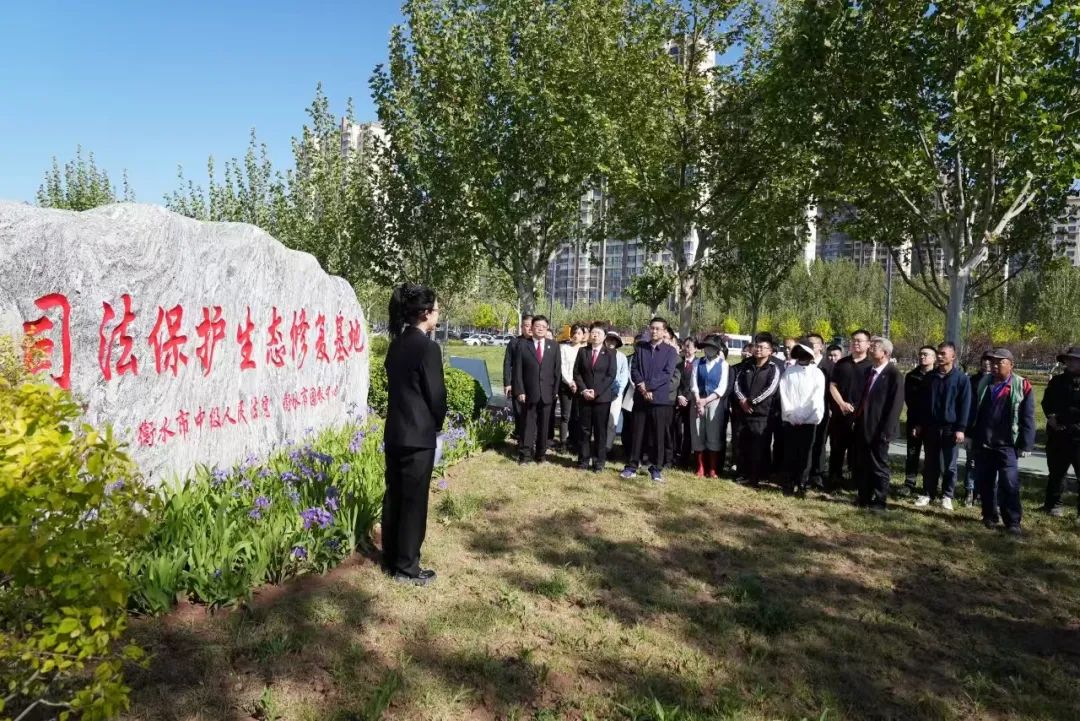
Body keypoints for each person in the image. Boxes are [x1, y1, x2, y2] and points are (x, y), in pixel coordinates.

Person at [382, 283, 447, 586]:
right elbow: (436, 395)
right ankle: (407, 567)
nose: (438, 314)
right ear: (425, 313)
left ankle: (391, 557)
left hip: (395, 431)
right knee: (413, 503)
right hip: (418, 435)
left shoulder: (396, 344)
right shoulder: (427, 348)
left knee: (394, 496)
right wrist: (438, 423)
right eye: (436, 310)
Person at [968, 348, 1036, 535]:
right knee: (985, 482)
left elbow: (1028, 416)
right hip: (984, 442)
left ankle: (1012, 521)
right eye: (993, 362)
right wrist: (969, 435)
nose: (995, 365)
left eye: (1000, 362)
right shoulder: (983, 383)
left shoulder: (1022, 385)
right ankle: (989, 515)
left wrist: (1026, 444)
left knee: (1009, 483)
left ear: (1011, 365)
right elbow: (973, 412)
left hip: (1007, 444)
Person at [912, 342, 971, 511]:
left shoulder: (961, 379)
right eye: (938, 353)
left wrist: (961, 428)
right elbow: (922, 404)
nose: (939, 356)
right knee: (930, 462)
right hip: (931, 427)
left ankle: (947, 495)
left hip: (950, 428)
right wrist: (919, 424)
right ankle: (928, 493)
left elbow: (965, 405)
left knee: (949, 465)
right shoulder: (930, 378)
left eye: (943, 353)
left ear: (953, 356)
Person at [621, 318, 680, 483]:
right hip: (641, 398)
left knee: (658, 435)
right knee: (637, 433)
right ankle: (632, 466)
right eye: (652, 328)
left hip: (659, 399)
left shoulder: (670, 351)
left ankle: (656, 469)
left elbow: (667, 374)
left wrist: (649, 387)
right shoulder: (641, 348)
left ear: (664, 331)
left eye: (657, 329)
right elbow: (634, 369)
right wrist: (642, 388)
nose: (654, 331)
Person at [852, 337, 905, 511]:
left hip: (880, 428)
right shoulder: (869, 371)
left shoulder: (894, 375)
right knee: (863, 463)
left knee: (879, 465)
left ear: (885, 353)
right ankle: (864, 496)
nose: (871, 349)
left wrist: (886, 431)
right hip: (864, 424)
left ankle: (880, 500)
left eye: (875, 347)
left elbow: (895, 406)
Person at [733, 333, 782, 486]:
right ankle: (743, 474)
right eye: (757, 346)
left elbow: (770, 389)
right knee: (743, 444)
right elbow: (737, 384)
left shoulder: (773, 368)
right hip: (744, 413)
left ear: (770, 351)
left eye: (762, 347)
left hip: (761, 415)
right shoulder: (746, 365)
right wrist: (742, 400)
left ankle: (758, 476)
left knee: (759, 447)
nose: (758, 349)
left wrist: (752, 402)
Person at [779, 341, 826, 496]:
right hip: (790, 420)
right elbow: (784, 394)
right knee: (790, 452)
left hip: (809, 420)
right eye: (799, 352)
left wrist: (804, 415)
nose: (803, 356)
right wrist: (791, 414)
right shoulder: (789, 372)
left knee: (806, 453)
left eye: (805, 353)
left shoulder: (817, 373)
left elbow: (816, 397)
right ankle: (789, 482)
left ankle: (802, 483)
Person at [512, 315, 560, 464]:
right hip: (528, 393)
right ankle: (525, 455)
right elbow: (517, 371)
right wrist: (520, 391)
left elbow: (557, 371)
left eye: (543, 327)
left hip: (547, 393)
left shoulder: (554, 346)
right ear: (532, 328)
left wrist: (555, 391)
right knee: (528, 425)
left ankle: (541, 455)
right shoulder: (522, 345)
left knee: (544, 426)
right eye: (537, 326)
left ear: (547, 329)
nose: (540, 329)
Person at [828, 330, 873, 490]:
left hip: (860, 416)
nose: (856, 343)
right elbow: (832, 386)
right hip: (840, 414)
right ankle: (834, 479)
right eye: (854, 340)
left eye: (860, 340)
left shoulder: (871, 366)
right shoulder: (842, 363)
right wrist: (841, 403)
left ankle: (855, 481)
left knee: (858, 451)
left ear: (868, 344)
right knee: (837, 449)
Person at [573, 322, 618, 472]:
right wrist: (584, 390)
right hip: (585, 397)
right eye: (593, 332)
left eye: (599, 333)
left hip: (602, 398)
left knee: (600, 431)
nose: (595, 335)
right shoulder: (583, 351)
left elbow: (611, 375)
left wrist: (596, 392)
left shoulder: (610, 353)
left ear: (604, 336)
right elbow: (577, 372)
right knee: (584, 430)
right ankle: (583, 461)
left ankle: (599, 462)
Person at [1042, 346, 1080, 518]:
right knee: (1056, 473)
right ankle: (1053, 505)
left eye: (1075, 360)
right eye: (1068, 359)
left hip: (1077, 436)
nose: (1070, 362)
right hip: (1057, 435)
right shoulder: (1057, 381)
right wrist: (1051, 417)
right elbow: (1047, 402)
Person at [690, 334, 730, 478]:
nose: (709, 349)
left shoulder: (724, 365)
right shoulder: (697, 363)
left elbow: (722, 388)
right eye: (707, 347)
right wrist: (698, 400)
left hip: (714, 401)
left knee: (713, 434)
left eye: (712, 347)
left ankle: (712, 468)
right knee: (697, 432)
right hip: (697, 400)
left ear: (718, 349)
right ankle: (700, 467)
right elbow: (693, 384)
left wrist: (706, 400)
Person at [902, 346, 938, 496]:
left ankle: (928, 486)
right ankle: (909, 483)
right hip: (914, 420)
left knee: (931, 456)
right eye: (920, 354)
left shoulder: (937, 376)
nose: (922, 357)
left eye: (926, 354)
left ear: (934, 358)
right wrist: (917, 423)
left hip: (932, 423)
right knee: (912, 453)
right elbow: (910, 400)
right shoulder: (911, 376)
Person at [960, 354, 994, 505]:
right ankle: (969, 491)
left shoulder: (997, 381)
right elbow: (967, 406)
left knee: (986, 463)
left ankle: (981, 492)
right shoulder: (972, 380)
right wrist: (966, 431)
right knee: (971, 462)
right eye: (984, 361)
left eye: (990, 361)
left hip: (991, 430)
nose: (987, 364)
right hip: (973, 427)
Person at [502, 315, 533, 444]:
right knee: (519, 413)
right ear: (522, 327)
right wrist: (507, 383)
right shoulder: (514, 343)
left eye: (532, 325)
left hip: (533, 384)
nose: (529, 328)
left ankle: (531, 440)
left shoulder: (537, 343)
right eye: (527, 325)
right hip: (517, 383)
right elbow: (507, 363)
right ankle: (520, 440)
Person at [807, 333, 831, 490]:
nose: (810, 347)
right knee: (806, 442)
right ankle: (805, 472)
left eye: (813, 344)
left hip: (823, 410)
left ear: (821, 347)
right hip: (804, 411)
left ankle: (817, 474)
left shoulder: (829, 366)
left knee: (820, 442)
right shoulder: (803, 363)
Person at [557, 324, 587, 451]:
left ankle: (574, 441)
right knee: (566, 415)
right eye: (574, 332)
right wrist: (570, 382)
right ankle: (563, 443)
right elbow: (562, 367)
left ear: (583, 335)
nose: (576, 335)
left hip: (580, 387)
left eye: (579, 333)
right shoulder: (564, 348)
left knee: (578, 416)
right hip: (566, 386)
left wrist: (578, 384)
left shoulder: (585, 350)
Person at [674, 336, 698, 469]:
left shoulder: (698, 364)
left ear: (695, 349)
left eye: (689, 346)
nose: (686, 349)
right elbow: (675, 381)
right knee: (675, 429)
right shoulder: (678, 362)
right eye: (685, 346)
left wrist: (687, 397)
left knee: (688, 432)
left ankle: (685, 459)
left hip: (691, 401)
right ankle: (674, 454)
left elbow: (695, 384)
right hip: (677, 400)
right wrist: (679, 396)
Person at [605, 330, 630, 454]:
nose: (611, 342)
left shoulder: (622, 357)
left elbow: (624, 376)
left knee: (612, 421)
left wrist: (617, 391)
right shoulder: (600, 354)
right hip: (601, 393)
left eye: (613, 340)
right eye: (609, 339)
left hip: (616, 393)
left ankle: (608, 447)